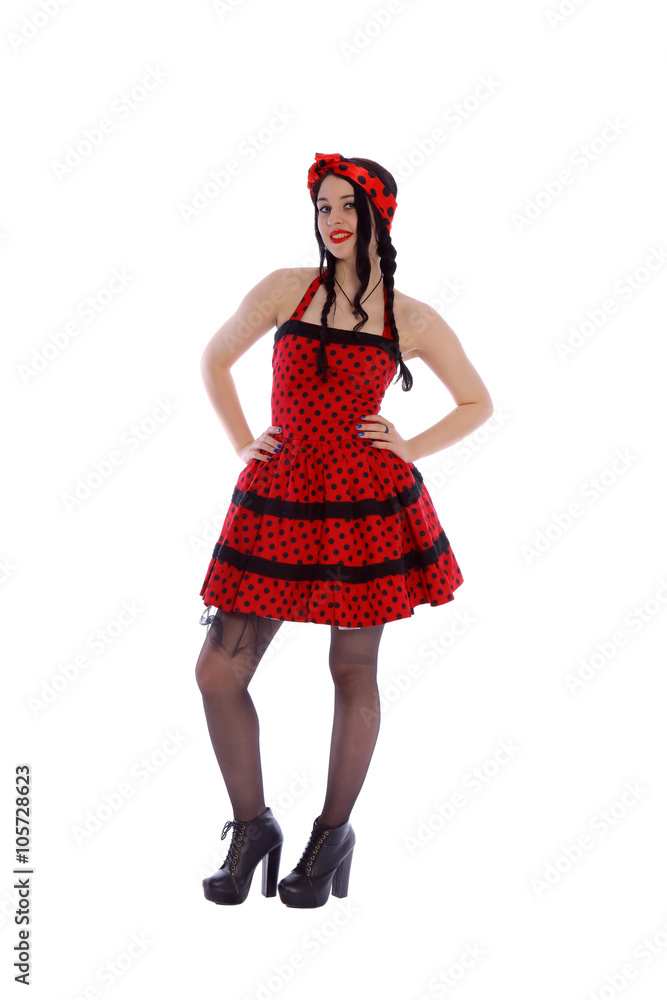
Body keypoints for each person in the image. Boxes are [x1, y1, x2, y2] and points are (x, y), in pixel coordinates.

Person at [195, 152, 493, 908]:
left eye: (347, 206)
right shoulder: (284, 289)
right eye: (323, 206)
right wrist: (244, 443)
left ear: (377, 216)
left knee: (352, 669)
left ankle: (331, 837)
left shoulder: (410, 317)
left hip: (365, 505)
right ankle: (252, 827)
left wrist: (408, 447)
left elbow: (476, 402)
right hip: (280, 495)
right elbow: (215, 359)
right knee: (218, 672)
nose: (333, 219)